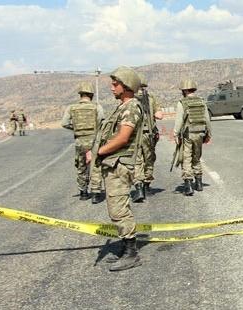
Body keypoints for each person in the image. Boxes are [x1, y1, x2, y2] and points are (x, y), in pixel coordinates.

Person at [86, 66, 143, 271]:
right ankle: (126, 248)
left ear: (126, 86)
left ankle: (131, 253)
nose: (112, 87)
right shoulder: (122, 106)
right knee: (116, 208)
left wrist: (98, 152)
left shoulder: (131, 107)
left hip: (120, 165)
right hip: (115, 164)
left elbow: (123, 137)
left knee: (118, 210)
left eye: (115, 83)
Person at [61, 81, 105, 203]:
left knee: (81, 166)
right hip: (94, 141)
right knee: (96, 166)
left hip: (80, 141)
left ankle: (83, 192)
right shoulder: (97, 107)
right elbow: (101, 122)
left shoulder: (71, 108)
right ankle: (96, 194)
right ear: (91, 95)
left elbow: (64, 123)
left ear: (80, 94)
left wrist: (75, 128)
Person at [173, 79, 212, 196]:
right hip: (200, 134)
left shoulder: (182, 102)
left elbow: (179, 120)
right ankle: (199, 183)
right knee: (197, 157)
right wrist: (209, 134)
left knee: (186, 159)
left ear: (185, 90)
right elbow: (207, 119)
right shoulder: (201, 101)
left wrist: (175, 133)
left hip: (188, 134)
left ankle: (188, 185)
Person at [132, 73, 163, 202]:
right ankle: (147, 186)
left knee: (136, 161)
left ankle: (138, 188)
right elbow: (160, 116)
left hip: (134, 136)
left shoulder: (131, 99)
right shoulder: (151, 98)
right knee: (149, 159)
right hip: (149, 133)